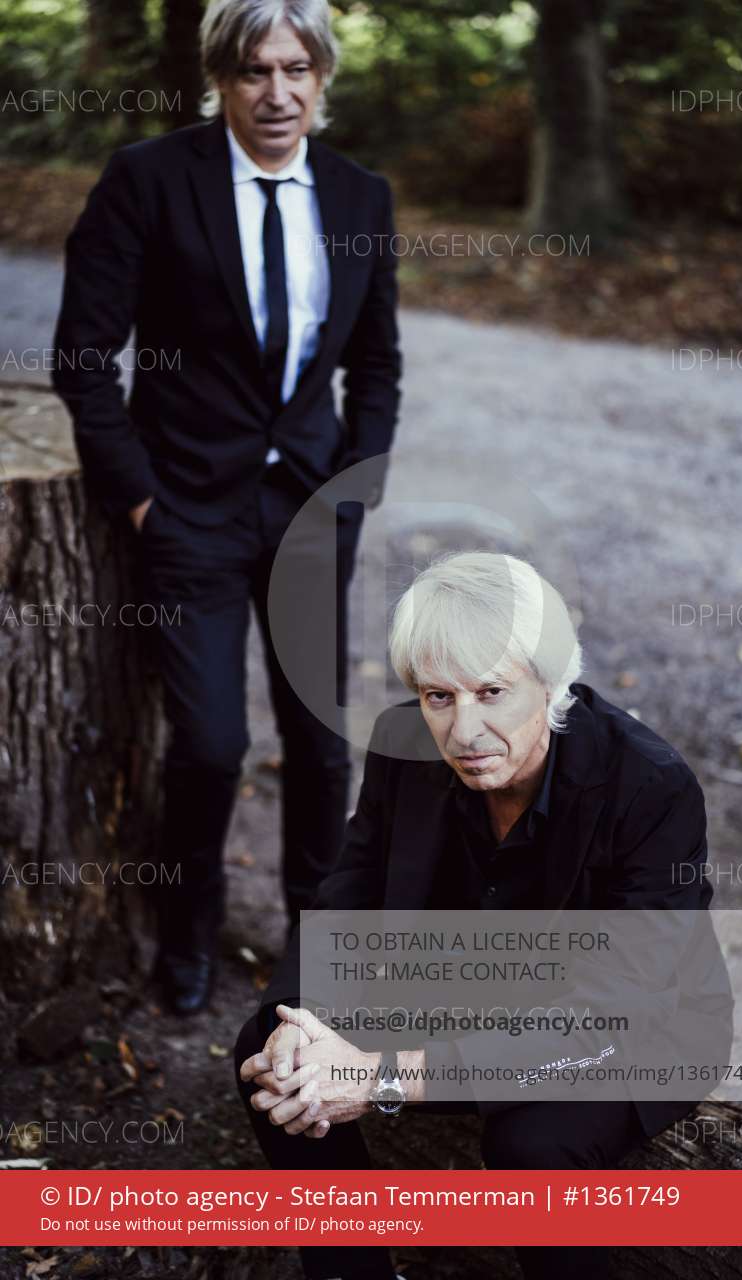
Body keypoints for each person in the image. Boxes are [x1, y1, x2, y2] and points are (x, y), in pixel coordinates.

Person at [234, 552, 732, 1280]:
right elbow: (347, 898)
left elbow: (615, 1006)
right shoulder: (405, 744)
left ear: (551, 682)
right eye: (439, 696)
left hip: (624, 1023)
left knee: (533, 1147)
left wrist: (381, 1079)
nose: (463, 730)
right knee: (272, 1052)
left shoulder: (651, 787)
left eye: (492, 692)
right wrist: (300, 1024)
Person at [52, 0, 401, 1014]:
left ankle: (315, 939)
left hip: (310, 509)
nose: (277, 92)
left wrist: (354, 486)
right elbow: (83, 358)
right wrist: (139, 499)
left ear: (322, 77)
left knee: (320, 744)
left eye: (296, 69)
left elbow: (377, 363)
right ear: (220, 79)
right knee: (208, 745)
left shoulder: (359, 196)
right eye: (254, 70)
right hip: (186, 509)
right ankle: (186, 932)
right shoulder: (149, 179)